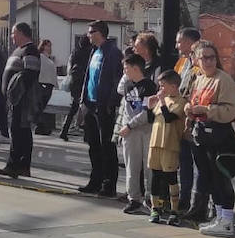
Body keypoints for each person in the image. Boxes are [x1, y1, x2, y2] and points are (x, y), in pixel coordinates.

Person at [186, 42, 235, 236]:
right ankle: (219, 216)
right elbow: (194, 100)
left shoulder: (223, 80)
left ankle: (227, 220)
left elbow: (231, 110)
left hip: (219, 135)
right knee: (209, 177)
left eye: (212, 57)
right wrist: (190, 109)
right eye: (204, 58)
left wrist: (207, 110)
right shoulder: (199, 79)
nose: (208, 61)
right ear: (196, 60)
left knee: (221, 178)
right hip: (202, 134)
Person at [80, 21, 124, 198]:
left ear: (101, 33)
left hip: (103, 106)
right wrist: (83, 100)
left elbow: (116, 81)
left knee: (107, 146)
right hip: (90, 104)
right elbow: (88, 77)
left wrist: (110, 103)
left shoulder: (113, 53)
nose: (89, 35)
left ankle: (109, 184)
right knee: (93, 146)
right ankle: (95, 180)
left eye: (92, 32)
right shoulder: (94, 51)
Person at [0, 23, 42, 180]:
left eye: (14, 33)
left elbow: (30, 74)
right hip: (13, 100)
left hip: (21, 99)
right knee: (18, 131)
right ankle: (21, 165)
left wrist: (17, 93)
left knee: (19, 131)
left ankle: (15, 165)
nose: (11, 36)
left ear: (22, 33)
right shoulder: (17, 50)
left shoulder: (30, 50)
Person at [113, 53, 156, 212]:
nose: (124, 71)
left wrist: (130, 125)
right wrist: (121, 128)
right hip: (129, 132)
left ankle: (151, 197)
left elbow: (147, 113)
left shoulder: (149, 86)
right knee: (132, 166)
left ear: (136, 68)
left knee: (148, 166)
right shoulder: (127, 85)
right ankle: (134, 198)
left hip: (145, 130)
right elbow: (125, 108)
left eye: (126, 68)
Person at [147, 70, 187, 225]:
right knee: (155, 177)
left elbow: (169, 118)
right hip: (155, 143)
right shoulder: (160, 100)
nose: (160, 88)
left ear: (173, 86)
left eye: (163, 85)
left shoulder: (180, 101)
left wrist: (162, 102)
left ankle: (174, 210)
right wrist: (150, 107)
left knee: (171, 178)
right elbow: (153, 119)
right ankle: (155, 208)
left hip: (169, 144)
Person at [172, 27, 202, 216]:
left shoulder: (200, 64)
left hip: (195, 118)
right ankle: (183, 198)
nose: (177, 45)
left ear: (192, 42)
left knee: (197, 162)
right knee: (183, 161)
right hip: (180, 118)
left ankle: (197, 202)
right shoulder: (182, 62)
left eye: (180, 41)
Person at [59, 36, 93, 141]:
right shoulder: (90, 52)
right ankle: (87, 134)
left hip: (75, 81)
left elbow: (70, 65)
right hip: (84, 81)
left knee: (74, 107)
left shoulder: (75, 52)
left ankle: (64, 130)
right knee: (86, 107)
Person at [36, 39, 58, 134]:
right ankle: (41, 126)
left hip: (48, 84)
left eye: (50, 46)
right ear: (43, 46)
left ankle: (41, 126)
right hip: (42, 84)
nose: (49, 48)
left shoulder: (49, 59)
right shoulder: (40, 58)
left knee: (41, 106)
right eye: (47, 46)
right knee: (40, 106)